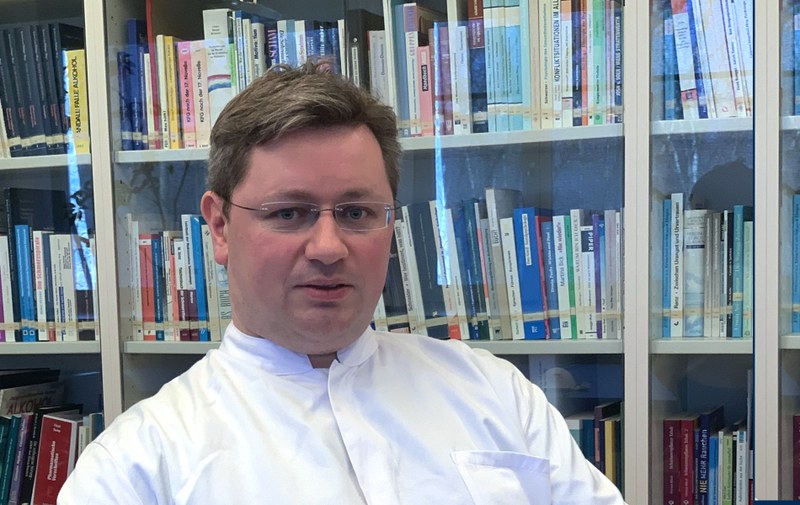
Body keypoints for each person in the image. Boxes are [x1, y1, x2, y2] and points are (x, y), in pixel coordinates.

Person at [58, 62, 626, 504]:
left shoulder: (496, 394)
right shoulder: (137, 466)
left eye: (356, 213)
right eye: (289, 213)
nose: (328, 247)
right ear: (220, 226)